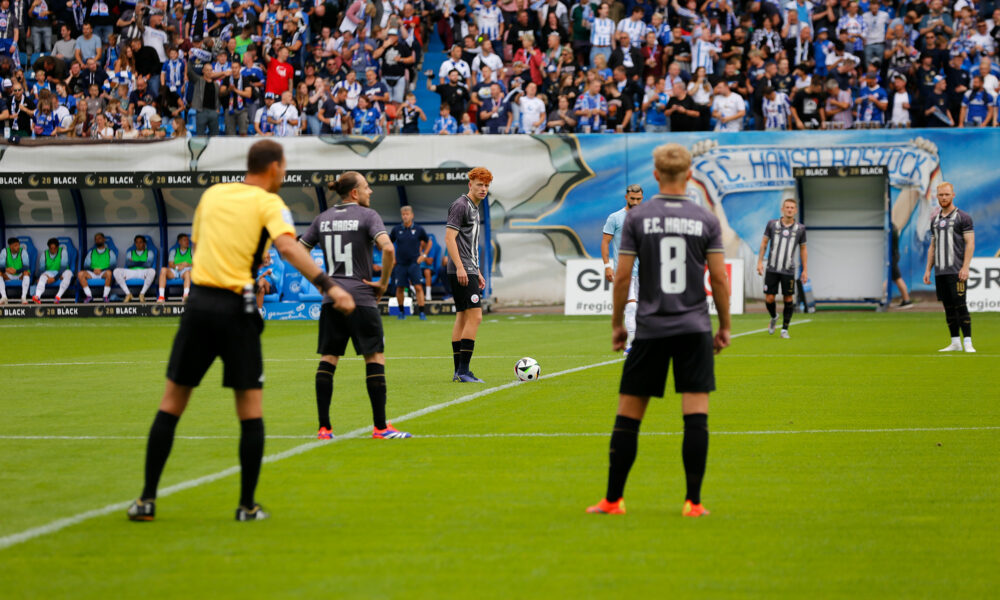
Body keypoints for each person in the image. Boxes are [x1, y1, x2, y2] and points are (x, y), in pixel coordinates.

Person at [127, 140, 355, 523]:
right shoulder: (269, 204)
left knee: (171, 404)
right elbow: (288, 248)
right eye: (283, 168)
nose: (283, 175)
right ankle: (247, 506)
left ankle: (147, 500)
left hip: (199, 305)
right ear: (274, 167)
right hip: (236, 309)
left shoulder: (213, 195)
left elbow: (201, 249)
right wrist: (330, 287)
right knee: (249, 410)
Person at [586, 143, 731, 517]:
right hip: (694, 326)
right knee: (695, 414)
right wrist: (725, 325)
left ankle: (613, 500)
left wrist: (618, 324)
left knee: (628, 415)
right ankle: (693, 503)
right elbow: (718, 277)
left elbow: (621, 278)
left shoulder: (636, 219)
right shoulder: (706, 219)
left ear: (655, 176)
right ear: (687, 175)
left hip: (649, 327)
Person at [300, 172, 411, 441]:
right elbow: (388, 250)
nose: (369, 191)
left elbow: (299, 250)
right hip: (362, 298)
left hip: (332, 299)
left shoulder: (322, 218)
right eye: (366, 187)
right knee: (374, 358)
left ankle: (324, 428)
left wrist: (322, 283)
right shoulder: (368, 216)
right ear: (354, 193)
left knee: (328, 359)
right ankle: (381, 427)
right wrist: (382, 284)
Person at [446, 167, 491, 383]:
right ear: (470, 184)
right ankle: (464, 371)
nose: (483, 189)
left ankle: (458, 372)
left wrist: (477, 270)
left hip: (468, 268)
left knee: (463, 316)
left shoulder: (474, 206)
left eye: (486, 185)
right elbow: (449, 238)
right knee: (476, 316)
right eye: (480, 184)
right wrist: (462, 268)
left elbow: (467, 244)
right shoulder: (461, 205)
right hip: (462, 269)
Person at [923, 182, 975, 353]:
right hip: (941, 272)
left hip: (957, 271)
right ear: (937, 197)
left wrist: (965, 267)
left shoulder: (963, 217)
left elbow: (970, 243)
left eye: (946, 194)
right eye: (940, 195)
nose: (944, 198)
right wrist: (928, 269)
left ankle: (968, 341)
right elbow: (932, 246)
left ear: (953, 195)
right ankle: (955, 342)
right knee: (948, 306)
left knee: (960, 305)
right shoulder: (935, 220)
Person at [756, 198, 809, 338]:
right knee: (769, 299)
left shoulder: (801, 229)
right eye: (787, 207)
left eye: (792, 207)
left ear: (795, 210)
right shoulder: (772, 224)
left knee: (788, 299)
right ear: (782, 209)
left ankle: (785, 329)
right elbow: (764, 243)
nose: (790, 209)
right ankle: (774, 317)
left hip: (788, 270)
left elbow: (803, 249)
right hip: (772, 268)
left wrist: (805, 269)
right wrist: (760, 262)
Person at [601, 184, 643, 351]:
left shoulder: (647, 218)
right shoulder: (615, 218)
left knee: (644, 310)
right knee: (631, 307)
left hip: (645, 272)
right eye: (632, 198)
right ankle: (631, 345)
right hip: (624, 272)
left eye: (638, 199)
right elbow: (605, 241)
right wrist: (607, 266)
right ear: (626, 197)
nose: (635, 202)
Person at [390, 205, 432, 321]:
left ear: (412, 215)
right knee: (400, 288)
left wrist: (424, 255)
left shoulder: (419, 229)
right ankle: (401, 312)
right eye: (403, 214)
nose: (405, 216)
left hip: (414, 263)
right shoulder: (396, 229)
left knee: (418, 287)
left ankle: (422, 312)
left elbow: (429, 242)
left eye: (407, 214)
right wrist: (392, 257)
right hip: (400, 264)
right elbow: (389, 243)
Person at [114, 235, 157, 302]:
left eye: (140, 242)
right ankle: (128, 294)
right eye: (136, 242)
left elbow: (148, 264)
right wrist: (142, 262)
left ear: (144, 243)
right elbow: (128, 264)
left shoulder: (149, 252)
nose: (138, 244)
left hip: (143, 272)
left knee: (152, 271)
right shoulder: (130, 252)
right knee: (116, 271)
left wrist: (134, 262)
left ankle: (142, 294)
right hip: (131, 271)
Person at [77, 233, 117, 302]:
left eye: (99, 238)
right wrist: (93, 270)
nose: (98, 240)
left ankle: (105, 296)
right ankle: (89, 296)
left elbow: (113, 265)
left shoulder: (110, 252)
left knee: (109, 273)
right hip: (93, 272)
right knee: (80, 274)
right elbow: (85, 265)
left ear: (104, 239)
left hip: (104, 272)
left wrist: (101, 270)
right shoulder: (91, 252)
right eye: (96, 239)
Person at [32, 238, 73, 304]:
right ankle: (37, 297)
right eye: (51, 248)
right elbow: (41, 268)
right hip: (50, 272)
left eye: (54, 248)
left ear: (58, 247)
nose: (53, 250)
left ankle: (58, 297)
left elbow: (63, 267)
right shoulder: (45, 254)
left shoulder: (63, 251)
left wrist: (55, 278)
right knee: (43, 276)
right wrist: (38, 277)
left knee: (69, 273)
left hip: (62, 272)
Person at [157, 233, 194, 302]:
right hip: (175, 270)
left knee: (187, 273)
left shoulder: (191, 251)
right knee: (163, 269)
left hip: (186, 271)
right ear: (179, 242)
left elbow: (196, 264)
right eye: (184, 240)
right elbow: (170, 264)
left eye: (187, 240)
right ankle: (161, 296)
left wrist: (187, 264)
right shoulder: (174, 251)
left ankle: (185, 296)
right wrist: (178, 266)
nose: (187, 242)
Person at [0, 237, 31, 305]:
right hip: (8, 275)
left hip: (19, 274)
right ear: (10, 246)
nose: (18, 247)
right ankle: (4, 297)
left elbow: (26, 266)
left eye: (18, 245)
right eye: (15, 245)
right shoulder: (4, 251)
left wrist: (16, 271)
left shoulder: (23, 251)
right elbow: (1, 266)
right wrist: (6, 269)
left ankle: (23, 297)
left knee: (27, 272)